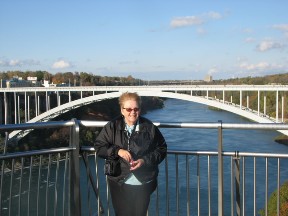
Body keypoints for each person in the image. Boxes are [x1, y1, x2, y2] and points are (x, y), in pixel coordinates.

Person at [94, 92, 167, 216]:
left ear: (140, 110)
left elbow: (161, 149)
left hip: (143, 182)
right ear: (122, 110)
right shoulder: (112, 127)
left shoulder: (149, 128)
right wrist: (118, 151)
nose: (132, 112)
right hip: (119, 181)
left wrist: (144, 161)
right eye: (128, 109)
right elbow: (99, 147)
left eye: (136, 109)